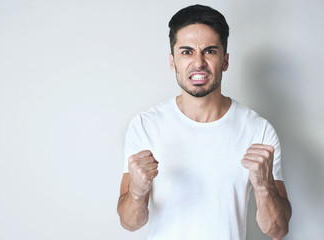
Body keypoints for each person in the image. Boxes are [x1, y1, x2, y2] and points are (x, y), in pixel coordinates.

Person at [117, 4, 291, 240]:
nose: (198, 63)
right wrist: (137, 192)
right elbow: (129, 223)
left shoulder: (258, 131)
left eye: (209, 51)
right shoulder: (145, 126)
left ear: (225, 60)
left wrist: (264, 187)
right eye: (186, 52)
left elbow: (278, 230)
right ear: (172, 61)